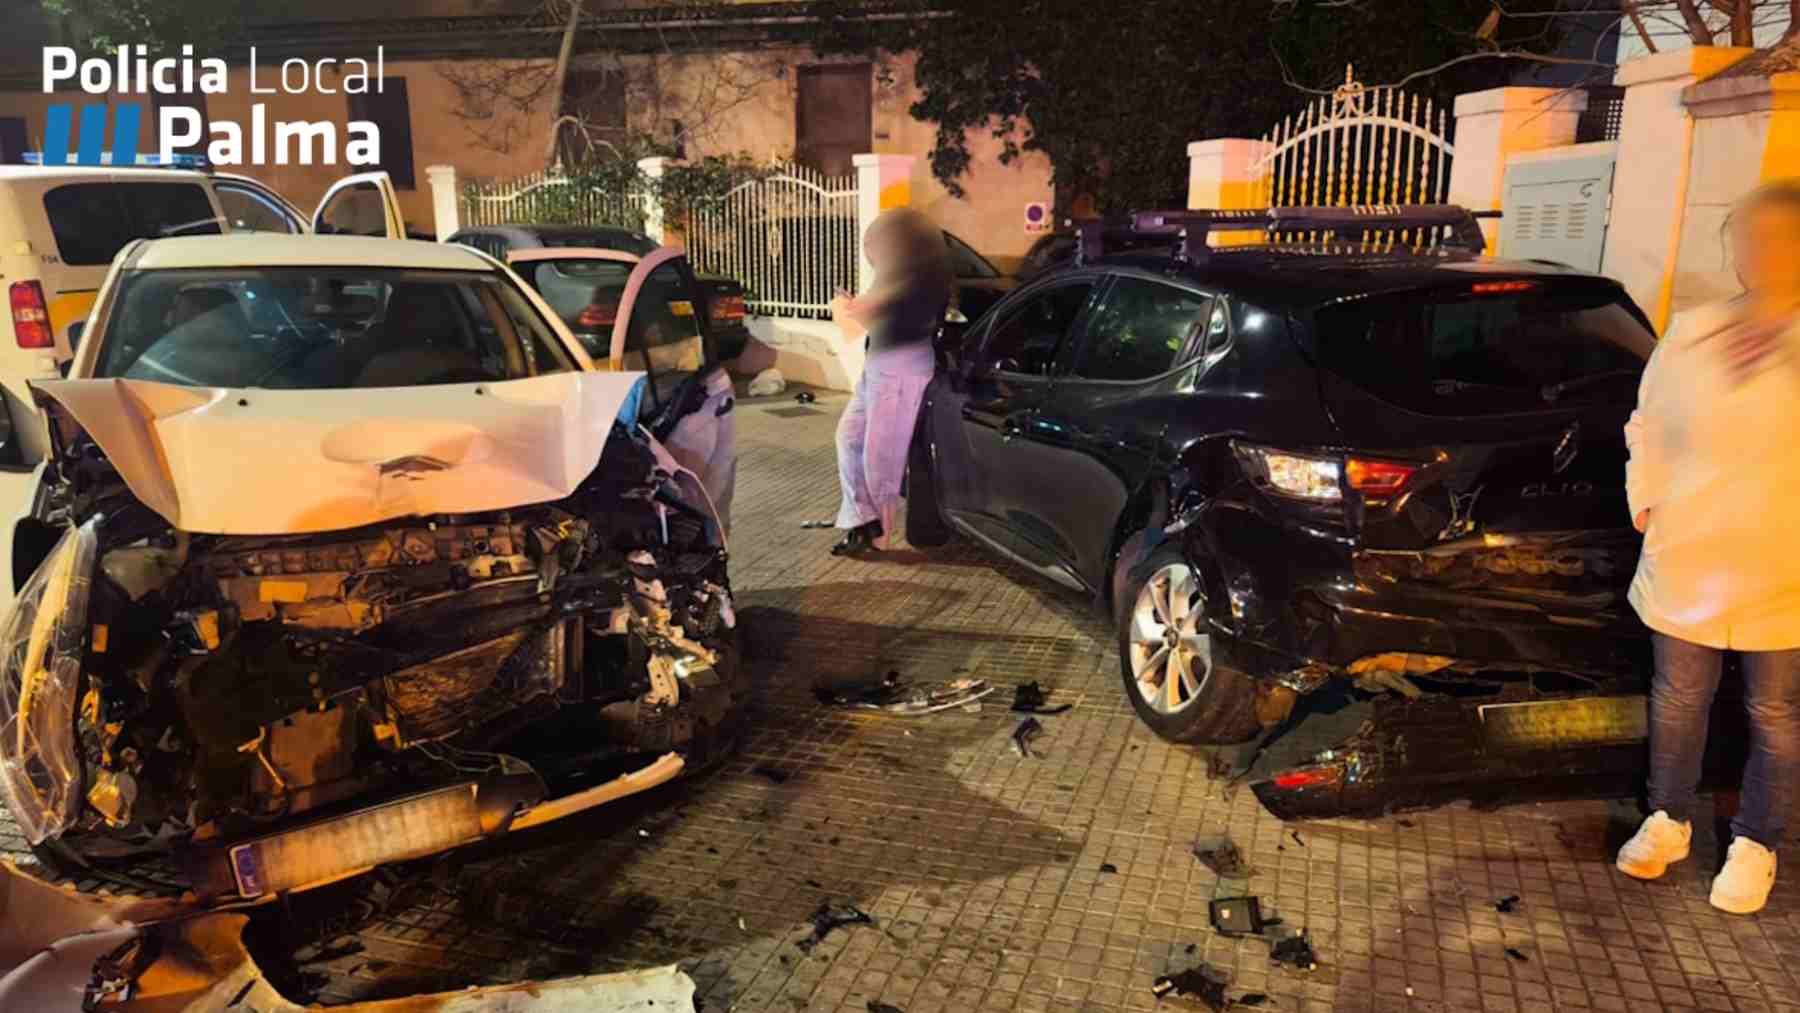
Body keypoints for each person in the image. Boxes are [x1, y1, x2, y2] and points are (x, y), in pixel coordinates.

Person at [1615, 181, 1800, 915]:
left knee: (1775, 712)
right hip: (1690, 554)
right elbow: (1647, 423)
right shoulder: (1694, 331)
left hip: (1781, 563)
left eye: (1780, 239)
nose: (1762, 253)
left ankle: (1758, 840)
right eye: (1752, 239)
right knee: (1680, 698)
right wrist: (1646, 501)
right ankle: (1668, 818)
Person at [826, 208, 952, 556]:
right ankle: (860, 520)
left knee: (881, 461)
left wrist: (851, 307)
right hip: (878, 366)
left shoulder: (918, 280)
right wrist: (857, 306)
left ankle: (876, 538)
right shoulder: (895, 275)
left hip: (901, 370)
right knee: (848, 438)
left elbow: (878, 317)